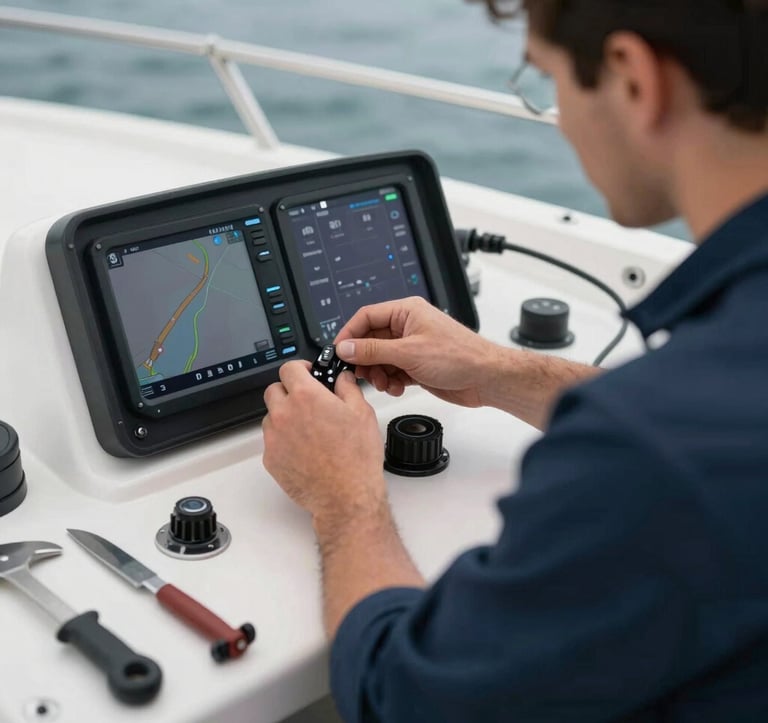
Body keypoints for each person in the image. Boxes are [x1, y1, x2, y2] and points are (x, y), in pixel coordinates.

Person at [263, 0, 768, 720]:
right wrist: (505, 372)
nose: (558, 116)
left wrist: (345, 500)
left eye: (551, 81)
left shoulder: (651, 449)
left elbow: (403, 698)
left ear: (632, 78)